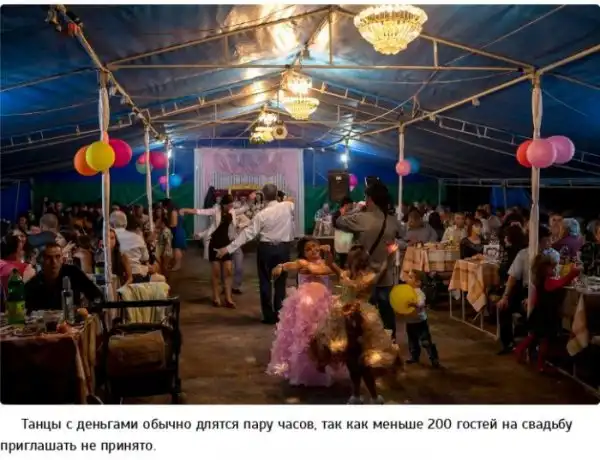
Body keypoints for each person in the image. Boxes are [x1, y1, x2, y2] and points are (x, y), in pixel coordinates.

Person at [310, 244, 400, 404]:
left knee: (361, 359)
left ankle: (370, 396)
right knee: (352, 358)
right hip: (344, 319)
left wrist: (390, 257)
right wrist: (328, 252)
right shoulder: (346, 274)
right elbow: (330, 263)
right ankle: (359, 394)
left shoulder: (366, 277)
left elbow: (383, 269)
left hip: (361, 320)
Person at [215, 184, 294, 324]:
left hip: (266, 249)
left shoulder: (261, 215)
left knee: (265, 282)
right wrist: (283, 199)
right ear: (277, 195)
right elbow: (291, 200)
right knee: (280, 283)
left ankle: (268, 316)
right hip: (283, 249)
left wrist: (228, 249)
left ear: (263, 196)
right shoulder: (287, 206)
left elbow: (247, 234)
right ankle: (280, 314)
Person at [267, 239, 340, 386]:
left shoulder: (325, 264)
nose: (313, 250)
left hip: (322, 303)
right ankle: (304, 369)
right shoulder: (303, 263)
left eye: (315, 247)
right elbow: (293, 265)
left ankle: (322, 365)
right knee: (306, 336)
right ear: (304, 253)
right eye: (308, 249)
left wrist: (329, 253)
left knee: (323, 335)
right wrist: (281, 266)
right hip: (306, 305)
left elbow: (331, 269)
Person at [333, 181, 402, 339]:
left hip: (363, 277)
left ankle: (366, 344)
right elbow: (402, 237)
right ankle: (389, 343)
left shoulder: (361, 218)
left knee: (363, 315)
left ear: (369, 199)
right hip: (386, 275)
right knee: (386, 314)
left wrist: (357, 208)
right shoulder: (393, 220)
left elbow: (338, 221)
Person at [513, 250, 580, 372]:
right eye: (551, 267)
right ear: (544, 269)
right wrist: (572, 273)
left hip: (540, 312)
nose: (554, 268)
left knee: (535, 336)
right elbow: (562, 282)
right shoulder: (548, 282)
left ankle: (521, 350)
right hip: (546, 315)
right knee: (544, 340)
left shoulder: (541, 281)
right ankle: (540, 364)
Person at [187, 194, 251, 307]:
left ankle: (228, 298)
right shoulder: (215, 211)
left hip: (226, 245)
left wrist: (250, 198)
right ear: (224, 204)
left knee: (228, 271)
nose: (231, 207)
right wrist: (186, 210)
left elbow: (245, 207)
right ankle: (216, 297)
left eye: (232, 205)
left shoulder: (232, 212)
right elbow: (201, 212)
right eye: (229, 205)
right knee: (216, 272)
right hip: (214, 243)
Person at [496, 225, 551, 354]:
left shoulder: (553, 255)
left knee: (537, 311)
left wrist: (533, 297)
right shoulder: (524, 254)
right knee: (504, 307)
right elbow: (513, 277)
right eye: (546, 240)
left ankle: (533, 344)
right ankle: (508, 343)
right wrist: (505, 296)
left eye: (549, 240)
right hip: (525, 290)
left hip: (544, 293)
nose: (549, 243)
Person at [25, 243, 103, 313]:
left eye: (57, 257)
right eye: (48, 257)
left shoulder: (73, 272)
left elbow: (96, 295)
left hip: (73, 320)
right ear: (41, 260)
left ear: (62, 259)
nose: (54, 262)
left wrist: (89, 309)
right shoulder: (33, 284)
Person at [404, 269, 440, 367]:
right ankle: (414, 356)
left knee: (425, 341)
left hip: (420, 321)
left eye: (411, 277)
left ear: (418, 282)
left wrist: (414, 304)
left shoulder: (419, 293)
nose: (407, 279)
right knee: (412, 341)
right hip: (410, 321)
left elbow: (421, 303)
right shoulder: (406, 292)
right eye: (408, 277)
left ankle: (434, 358)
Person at [110, 211, 150, 283]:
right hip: (136, 274)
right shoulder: (137, 237)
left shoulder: (108, 238)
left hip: (116, 276)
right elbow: (145, 257)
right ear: (126, 223)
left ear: (111, 224)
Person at [163, 199, 186, 271]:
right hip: (180, 231)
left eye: (165, 207)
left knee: (177, 249)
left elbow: (174, 224)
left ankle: (177, 265)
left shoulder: (173, 212)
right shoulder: (178, 211)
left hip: (177, 231)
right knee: (177, 249)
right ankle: (177, 264)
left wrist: (166, 225)